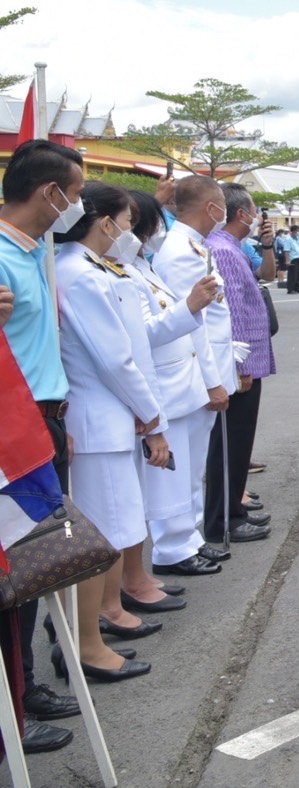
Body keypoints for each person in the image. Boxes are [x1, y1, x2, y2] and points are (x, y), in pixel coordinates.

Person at [54, 181, 164, 683]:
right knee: (98, 538)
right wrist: (151, 414)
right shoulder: (82, 275)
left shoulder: (91, 270)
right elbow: (115, 360)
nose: (128, 232)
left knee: (111, 533)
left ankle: (91, 633)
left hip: (109, 420)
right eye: (125, 222)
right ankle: (83, 645)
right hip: (99, 421)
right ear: (105, 224)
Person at [0, 140, 84, 750]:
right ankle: (9, 711)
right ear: (48, 193)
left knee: (35, 570)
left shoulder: (36, 251)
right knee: (13, 572)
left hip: (46, 419)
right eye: (73, 196)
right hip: (12, 432)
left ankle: (23, 685)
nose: (74, 208)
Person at [123, 191, 221, 605]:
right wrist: (190, 306)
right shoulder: (119, 269)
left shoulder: (142, 265)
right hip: (164, 386)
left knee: (186, 472)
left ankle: (186, 541)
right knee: (166, 481)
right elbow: (143, 334)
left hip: (181, 381)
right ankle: (173, 548)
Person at [153, 175, 241, 573]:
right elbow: (194, 323)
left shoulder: (194, 246)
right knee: (182, 465)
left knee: (193, 464)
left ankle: (188, 539)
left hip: (205, 369)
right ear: (211, 208)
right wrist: (212, 381)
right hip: (191, 373)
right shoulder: (180, 252)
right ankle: (174, 547)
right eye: (221, 204)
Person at [204, 184, 277, 546]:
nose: (256, 217)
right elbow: (230, 315)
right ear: (241, 215)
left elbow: (268, 275)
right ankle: (225, 518)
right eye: (252, 211)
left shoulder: (232, 249)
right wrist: (239, 365)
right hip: (241, 367)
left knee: (238, 443)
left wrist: (267, 245)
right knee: (230, 446)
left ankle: (234, 508)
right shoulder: (223, 251)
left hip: (247, 364)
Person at [278, 223, 299, 293]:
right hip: (292, 259)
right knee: (292, 275)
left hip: (298, 257)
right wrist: (287, 260)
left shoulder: (297, 238)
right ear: (294, 231)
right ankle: (290, 289)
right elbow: (286, 251)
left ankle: (297, 288)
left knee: (298, 274)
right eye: (298, 231)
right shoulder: (288, 239)